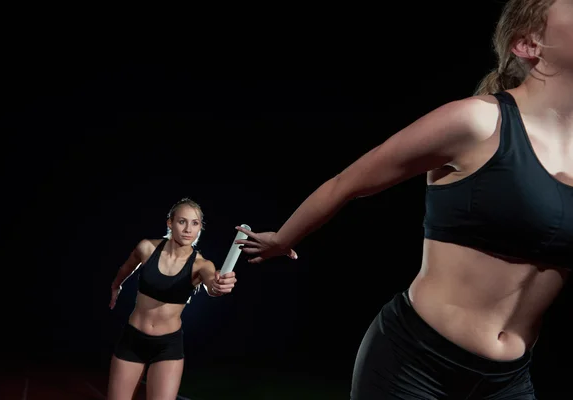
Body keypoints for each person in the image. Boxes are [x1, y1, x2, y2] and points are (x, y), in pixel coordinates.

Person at [235, 0, 572, 398]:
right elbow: (349, 181)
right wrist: (284, 238)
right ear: (529, 44)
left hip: (508, 382)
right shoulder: (478, 122)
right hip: (414, 365)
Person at [106, 198, 237, 400]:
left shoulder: (201, 265)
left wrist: (220, 285)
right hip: (132, 341)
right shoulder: (147, 248)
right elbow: (126, 268)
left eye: (194, 223)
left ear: (200, 228)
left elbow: (212, 285)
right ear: (170, 223)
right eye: (182, 221)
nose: (188, 229)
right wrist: (116, 285)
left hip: (167, 347)